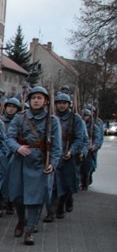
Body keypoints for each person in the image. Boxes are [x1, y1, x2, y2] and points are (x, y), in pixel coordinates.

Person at [4, 86, 61, 245]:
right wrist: (17, 147)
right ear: (29, 101)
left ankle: (30, 230)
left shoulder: (52, 120)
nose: (36, 100)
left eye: (39, 98)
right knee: (18, 196)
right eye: (33, 98)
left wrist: (53, 163)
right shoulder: (19, 118)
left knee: (36, 198)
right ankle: (21, 220)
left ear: (45, 101)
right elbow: (9, 138)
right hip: (20, 160)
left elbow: (56, 146)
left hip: (40, 162)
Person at [49, 92, 87, 220]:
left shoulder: (76, 119)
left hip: (68, 156)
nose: (61, 105)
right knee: (53, 184)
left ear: (69, 105)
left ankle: (61, 205)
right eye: (59, 103)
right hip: (54, 155)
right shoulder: (51, 118)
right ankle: (51, 211)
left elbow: (79, 138)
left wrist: (71, 151)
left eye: (64, 103)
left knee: (67, 184)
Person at [0, 97, 21, 218]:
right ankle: (0, 205)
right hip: (2, 154)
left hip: (15, 154)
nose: (11, 109)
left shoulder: (20, 121)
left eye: (13, 107)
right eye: (9, 106)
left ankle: (10, 202)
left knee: (12, 181)